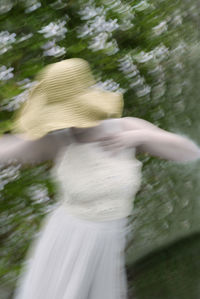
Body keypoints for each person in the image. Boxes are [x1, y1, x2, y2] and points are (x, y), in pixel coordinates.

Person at [0, 58, 200, 299]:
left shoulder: (127, 128)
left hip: (108, 241)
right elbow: (7, 150)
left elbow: (189, 152)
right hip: (68, 241)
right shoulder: (57, 142)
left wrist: (138, 136)